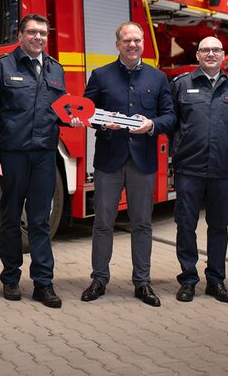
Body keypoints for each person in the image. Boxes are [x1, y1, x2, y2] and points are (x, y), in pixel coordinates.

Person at [0, 13, 74, 309]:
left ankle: (43, 283)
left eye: (43, 33)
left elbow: (60, 111)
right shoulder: (1, 67)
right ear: (20, 34)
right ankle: (10, 277)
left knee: (40, 221)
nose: (38, 38)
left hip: (45, 155)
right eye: (32, 32)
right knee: (9, 219)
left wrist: (75, 119)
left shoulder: (56, 70)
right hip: (12, 156)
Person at [80, 22, 175, 307]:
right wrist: (100, 121)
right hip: (109, 160)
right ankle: (99, 279)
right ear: (117, 44)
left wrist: (151, 125)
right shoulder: (101, 75)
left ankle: (142, 282)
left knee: (142, 224)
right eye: (126, 40)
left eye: (137, 40)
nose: (132, 45)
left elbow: (170, 117)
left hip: (142, 161)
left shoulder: (158, 79)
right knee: (103, 223)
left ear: (143, 43)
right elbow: (85, 110)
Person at [171, 36, 228, 303]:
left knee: (219, 227)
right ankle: (188, 279)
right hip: (189, 169)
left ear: (223, 55)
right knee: (186, 225)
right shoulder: (181, 85)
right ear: (198, 55)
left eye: (216, 50)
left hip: (223, 171)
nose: (211, 54)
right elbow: (171, 123)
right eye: (205, 50)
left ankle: (216, 280)